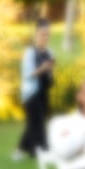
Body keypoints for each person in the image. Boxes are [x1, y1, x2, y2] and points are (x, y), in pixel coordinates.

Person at [15, 18, 54, 159]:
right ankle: (30, 150)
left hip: (43, 93)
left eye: (48, 34)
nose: (45, 37)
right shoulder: (30, 53)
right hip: (31, 93)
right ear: (36, 34)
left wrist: (49, 70)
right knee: (35, 123)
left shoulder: (49, 52)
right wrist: (43, 69)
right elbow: (28, 74)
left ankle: (35, 150)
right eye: (43, 34)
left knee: (39, 122)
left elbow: (49, 74)